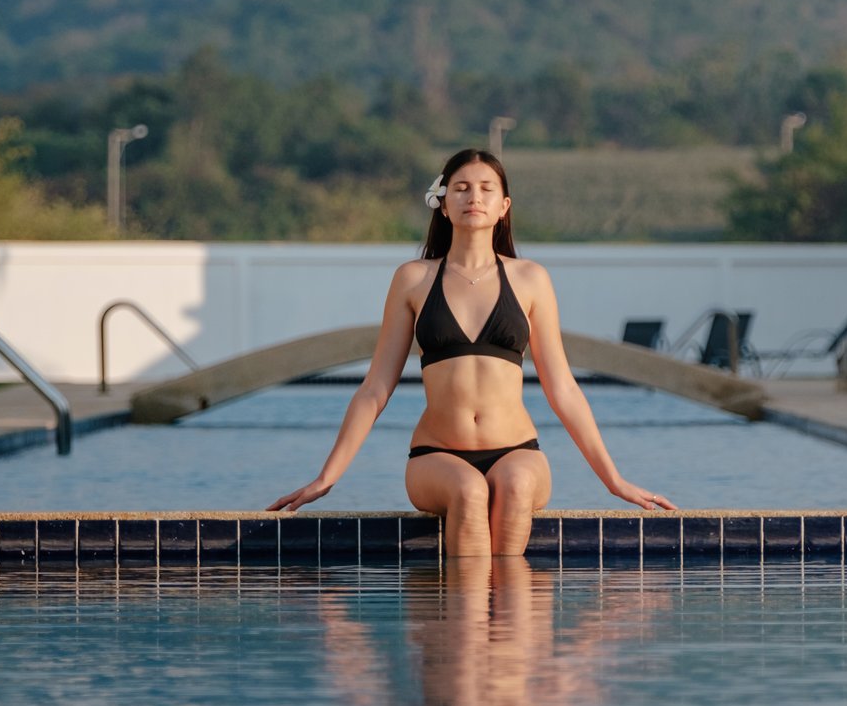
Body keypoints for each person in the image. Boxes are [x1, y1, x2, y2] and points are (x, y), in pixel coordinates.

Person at [268, 147, 676, 554]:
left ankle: (508, 617)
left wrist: (613, 480)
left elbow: (563, 389)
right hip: (437, 457)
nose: (473, 197)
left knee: (514, 486)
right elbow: (375, 388)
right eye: (461, 188)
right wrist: (327, 477)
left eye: (486, 188)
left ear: (504, 206)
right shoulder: (413, 279)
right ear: (443, 204)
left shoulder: (531, 279)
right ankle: (467, 616)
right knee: (468, 490)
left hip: (518, 452)